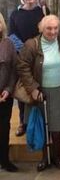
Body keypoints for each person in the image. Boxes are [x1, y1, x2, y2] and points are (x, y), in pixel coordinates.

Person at [17, 15, 60, 171]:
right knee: (42, 125)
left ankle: (57, 155)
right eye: (48, 28)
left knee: (58, 127)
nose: (52, 31)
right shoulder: (32, 44)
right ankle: (44, 157)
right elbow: (23, 67)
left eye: (55, 28)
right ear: (41, 28)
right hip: (40, 91)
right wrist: (33, 88)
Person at [9, 0, 49, 137]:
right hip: (24, 56)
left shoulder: (43, 11)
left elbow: (47, 31)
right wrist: (26, 50)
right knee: (24, 89)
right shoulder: (15, 14)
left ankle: (43, 120)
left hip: (41, 54)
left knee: (40, 88)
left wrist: (37, 48)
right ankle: (22, 122)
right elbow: (12, 35)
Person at [0, 13, 18, 172]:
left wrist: (8, 89)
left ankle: (4, 160)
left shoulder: (8, 43)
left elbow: (14, 69)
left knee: (4, 128)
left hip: (4, 94)